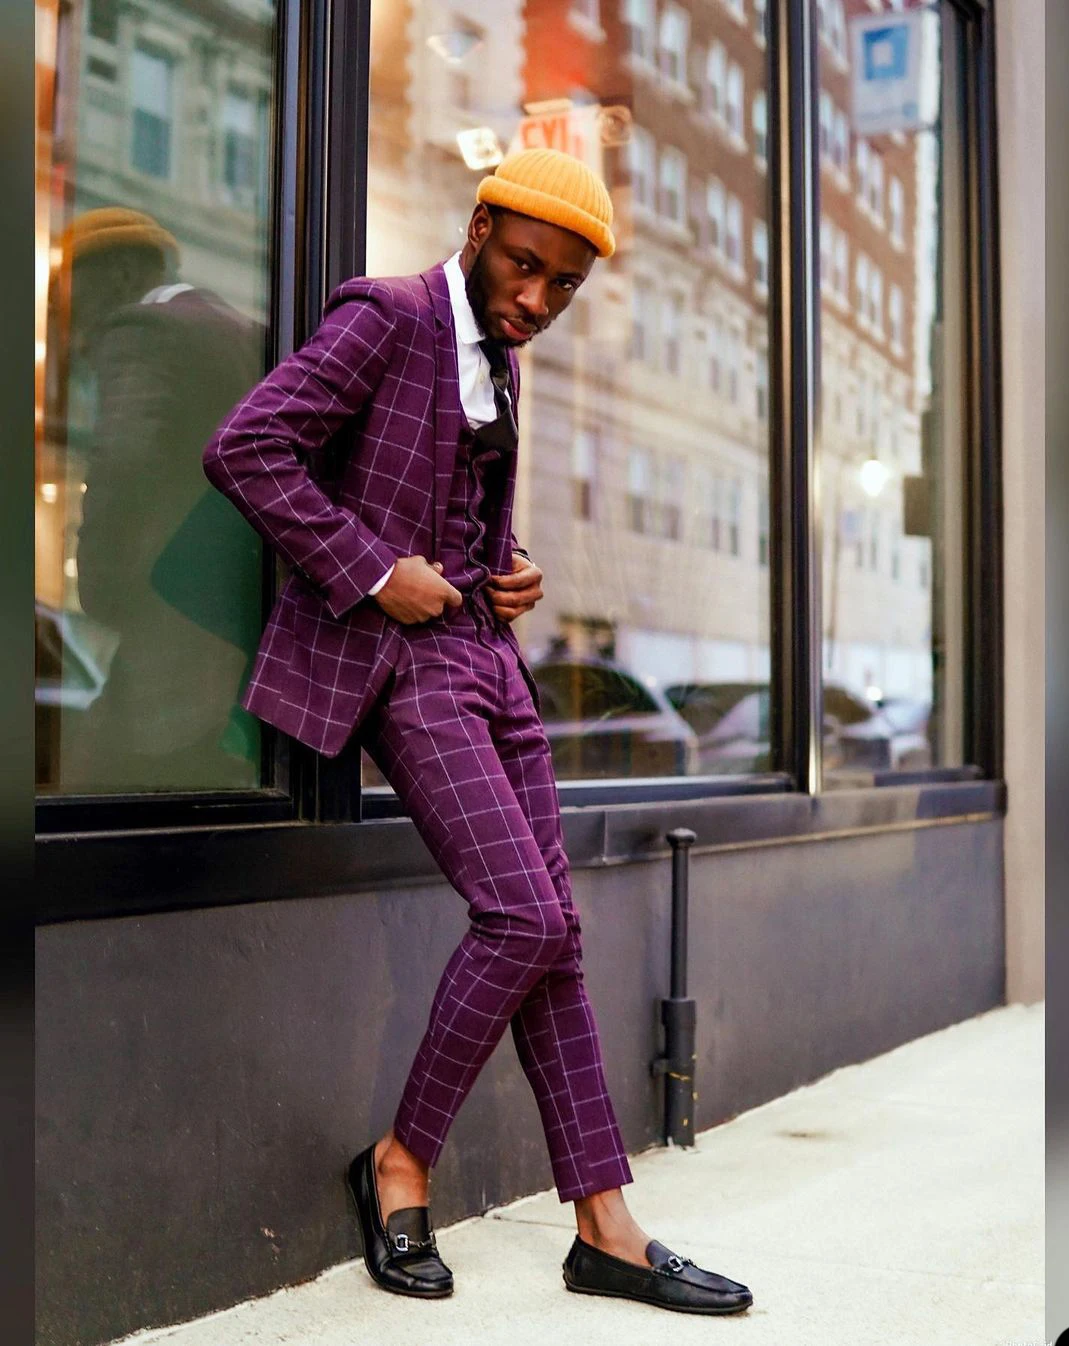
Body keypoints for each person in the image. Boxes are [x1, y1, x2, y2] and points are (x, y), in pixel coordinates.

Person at [203, 148, 753, 1316]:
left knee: (554, 931)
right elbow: (247, 447)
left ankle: (604, 1220)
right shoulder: (387, 316)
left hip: (486, 660)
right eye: (523, 267)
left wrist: (504, 571)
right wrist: (371, 570)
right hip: (399, 664)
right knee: (524, 913)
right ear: (478, 225)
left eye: (562, 287)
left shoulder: (502, 356)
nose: (535, 301)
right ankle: (402, 1160)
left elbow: (454, 498)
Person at [56, 207, 264, 792]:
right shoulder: (238, 332)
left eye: (70, 291)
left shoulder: (142, 330)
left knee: (82, 812)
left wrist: (99, 585)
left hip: (171, 651)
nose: (70, 319)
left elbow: (122, 465)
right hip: (232, 647)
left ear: (121, 276)